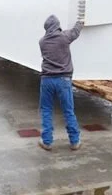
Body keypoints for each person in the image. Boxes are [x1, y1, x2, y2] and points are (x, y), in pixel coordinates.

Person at [38, 14, 84, 151]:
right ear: (58, 26)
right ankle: (74, 141)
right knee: (68, 111)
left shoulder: (42, 41)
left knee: (46, 110)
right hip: (63, 80)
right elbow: (75, 32)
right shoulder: (64, 37)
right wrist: (80, 22)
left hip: (46, 80)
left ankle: (46, 142)